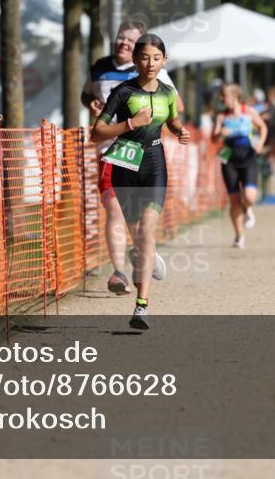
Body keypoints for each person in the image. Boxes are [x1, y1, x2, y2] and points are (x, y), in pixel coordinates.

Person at [91, 34, 190, 330]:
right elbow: (97, 133)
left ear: (164, 61)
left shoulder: (168, 93)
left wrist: (179, 130)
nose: (150, 63)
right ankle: (145, 252)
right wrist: (131, 124)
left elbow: (171, 119)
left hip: (154, 164)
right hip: (125, 163)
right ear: (135, 60)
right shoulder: (123, 92)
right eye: (144, 57)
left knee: (147, 231)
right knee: (139, 236)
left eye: (156, 58)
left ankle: (141, 306)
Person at [81, 20, 179, 296]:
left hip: (145, 153)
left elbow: (175, 107)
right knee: (113, 209)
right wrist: (93, 105)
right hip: (112, 151)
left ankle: (143, 247)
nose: (123, 42)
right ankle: (119, 273)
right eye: (120, 37)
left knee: (139, 222)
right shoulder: (100, 67)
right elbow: (86, 95)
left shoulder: (156, 71)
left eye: (130, 39)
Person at [213, 84, 268, 249]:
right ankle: (239, 236)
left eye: (224, 96)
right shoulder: (221, 117)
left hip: (248, 157)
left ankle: (247, 208)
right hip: (229, 159)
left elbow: (263, 127)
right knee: (234, 199)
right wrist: (220, 133)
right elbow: (213, 139)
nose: (221, 99)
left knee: (249, 196)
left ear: (235, 96)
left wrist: (260, 144)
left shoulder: (248, 112)